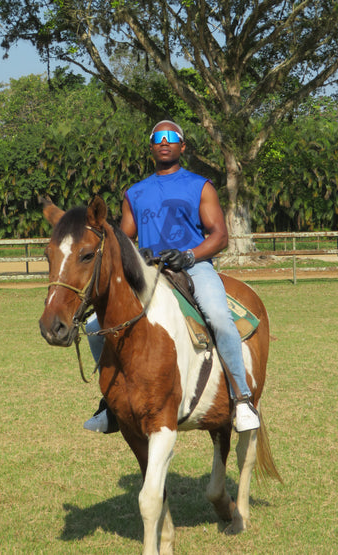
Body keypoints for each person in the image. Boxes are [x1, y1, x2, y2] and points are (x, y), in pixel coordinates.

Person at [83, 120, 260, 433]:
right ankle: (111, 405)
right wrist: (136, 256)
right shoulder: (135, 193)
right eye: (158, 138)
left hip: (194, 267)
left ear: (182, 146)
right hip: (150, 273)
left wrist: (190, 255)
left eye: (171, 137)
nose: (164, 142)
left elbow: (219, 236)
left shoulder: (200, 186)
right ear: (151, 147)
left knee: (219, 318)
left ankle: (242, 398)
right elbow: (123, 240)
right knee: (95, 325)